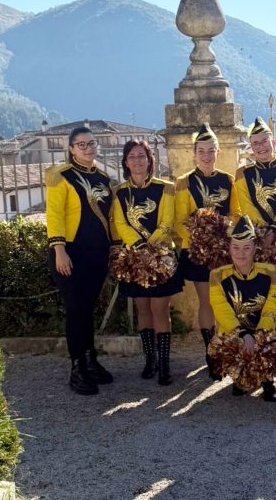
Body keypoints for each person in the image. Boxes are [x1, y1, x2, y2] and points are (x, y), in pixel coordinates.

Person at [46, 126, 113, 396]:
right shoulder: (60, 176)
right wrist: (59, 249)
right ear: (71, 148)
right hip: (69, 252)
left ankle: (90, 360)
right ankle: (77, 367)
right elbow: (54, 215)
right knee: (76, 309)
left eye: (91, 143)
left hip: (96, 253)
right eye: (81, 144)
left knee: (87, 308)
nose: (88, 148)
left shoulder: (104, 178)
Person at [174, 123, 240, 380]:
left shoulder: (228, 180)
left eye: (211, 150)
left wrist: (223, 227)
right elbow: (179, 221)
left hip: (224, 250)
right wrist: (200, 237)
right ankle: (211, 351)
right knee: (207, 301)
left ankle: (227, 348)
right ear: (194, 153)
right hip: (198, 251)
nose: (206, 155)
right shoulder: (183, 182)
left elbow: (236, 214)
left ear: (218, 151)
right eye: (201, 150)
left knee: (227, 301)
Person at [111, 139, 179, 386]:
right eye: (132, 157)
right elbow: (120, 223)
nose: (137, 161)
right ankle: (150, 359)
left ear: (150, 160)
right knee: (143, 309)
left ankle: (165, 363)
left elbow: (167, 223)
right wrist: (139, 249)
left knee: (160, 309)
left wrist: (151, 248)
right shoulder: (120, 192)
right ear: (125, 162)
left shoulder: (166, 188)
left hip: (161, 258)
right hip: (134, 259)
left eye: (142, 156)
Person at [235, 117, 276, 372]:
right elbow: (246, 206)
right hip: (257, 241)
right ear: (250, 147)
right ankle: (261, 352)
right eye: (255, 143)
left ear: (273, 142)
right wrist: (264, 231)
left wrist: (275, 229)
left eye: (264, 141)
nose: (261, 146)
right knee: (259, 299)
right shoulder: (243, 174)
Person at [209, 215, 276, 401]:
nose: (241, 253)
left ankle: (267, 380)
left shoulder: (269, 272)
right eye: (236, 247)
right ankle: (240, 378)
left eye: (246, 248)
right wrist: (242, 334)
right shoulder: (218, 275)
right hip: (235, 332)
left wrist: (260, 335)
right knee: (219, 350)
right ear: (229, 249)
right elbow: (221, 310)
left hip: (261, 330)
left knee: (269, 344)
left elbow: (272, 307)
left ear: (255, 249)